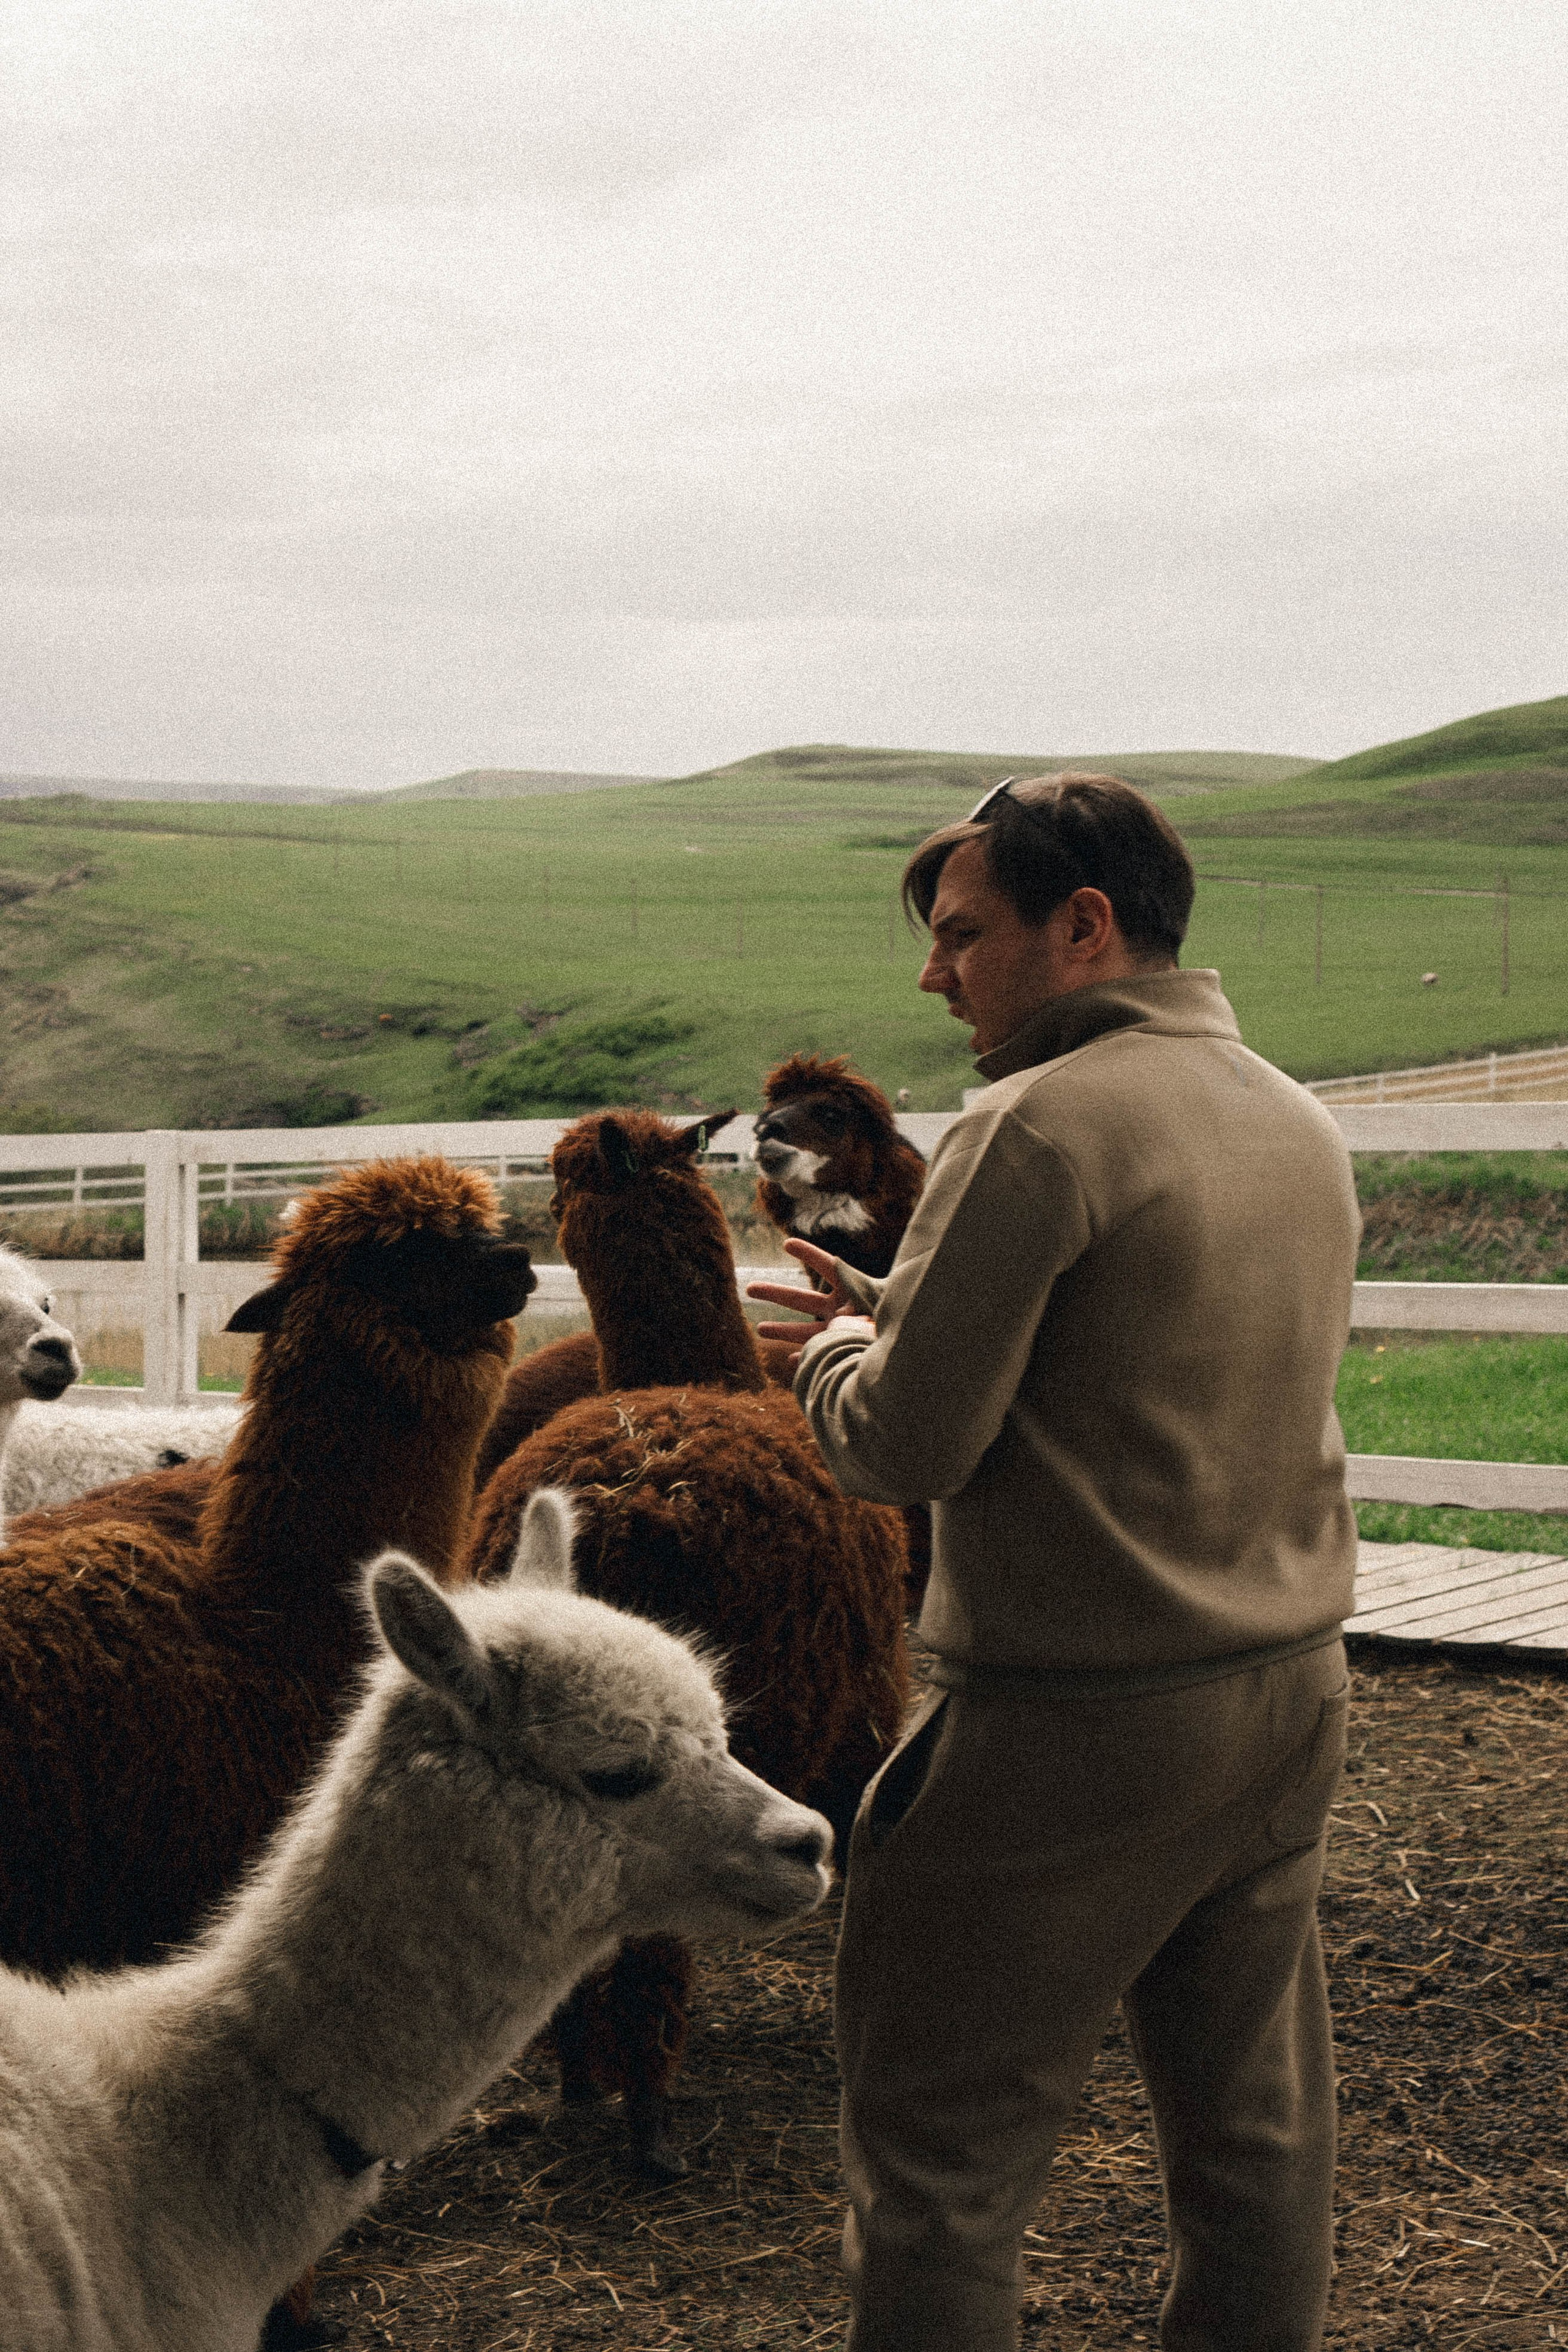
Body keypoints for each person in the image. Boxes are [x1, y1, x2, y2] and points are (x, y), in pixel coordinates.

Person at [749, 772, 1360, 2352]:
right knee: (1256, 2144)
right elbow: (1133, 1361)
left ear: (1080, 928)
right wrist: (900, 1312)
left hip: (1071, 1723)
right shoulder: (1294, 1121)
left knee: (942, 2163)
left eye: (963, 935)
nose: (933, 976)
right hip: (1286, 1697)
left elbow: (904, 1450)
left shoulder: (1039, 1123)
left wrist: (830, 1362)